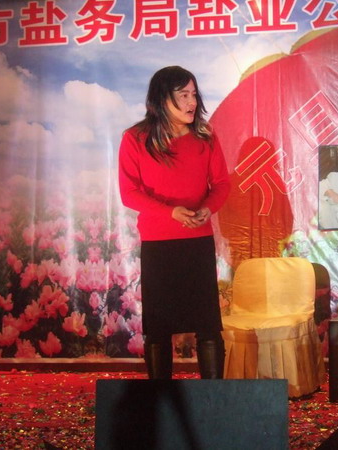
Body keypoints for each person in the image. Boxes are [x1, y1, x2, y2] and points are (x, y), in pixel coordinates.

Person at [118, 66, 230, 380]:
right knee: (158, 327)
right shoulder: (135, 138)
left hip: (198, 241)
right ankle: (160, 395)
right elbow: (129, 193)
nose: (192, 102)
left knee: (207, 324)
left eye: (194, 94)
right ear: (162, 98)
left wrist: (208, 209)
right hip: (158, 243)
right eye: (183, 95)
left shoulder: (205, 136)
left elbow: (222, 184)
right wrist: (171, 212)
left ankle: (214, 395)